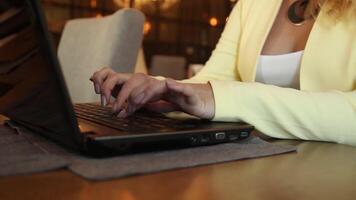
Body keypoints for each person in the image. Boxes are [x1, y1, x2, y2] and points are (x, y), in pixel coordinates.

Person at [90, 0, 356, 146]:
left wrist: (222, 97)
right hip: (258, 161)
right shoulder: (252, 4)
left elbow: (218, 95)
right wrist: (162, 90)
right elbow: (214, 79)